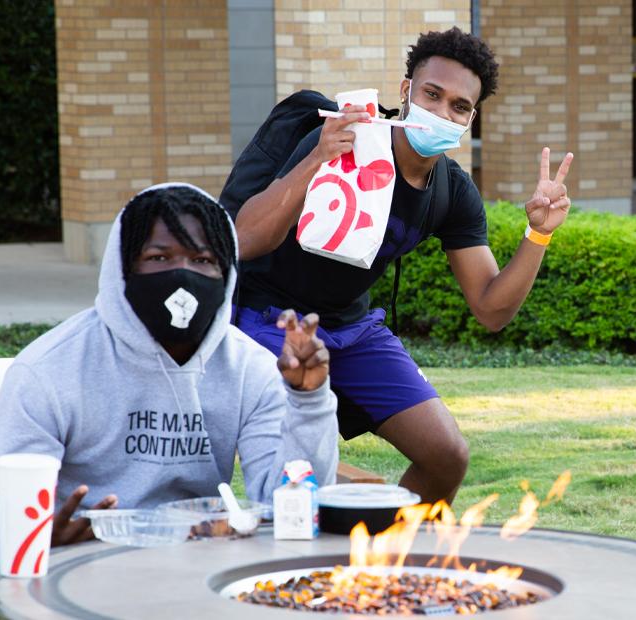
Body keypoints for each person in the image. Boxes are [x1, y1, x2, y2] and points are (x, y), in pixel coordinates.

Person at [227, 28, 573, 503]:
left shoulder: (453, 192)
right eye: (432, 94)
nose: (442, 112)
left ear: (472, 118)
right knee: (302, 470)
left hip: (354, 329)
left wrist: (539, 232)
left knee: (447, 454)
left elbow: (491, 309)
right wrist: (317, 157)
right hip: (273, 320)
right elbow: (244, 239)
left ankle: (389, 564)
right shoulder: (345, 137)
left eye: (459, 106)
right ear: (406, 90)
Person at [0, 184, 338, 564]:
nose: (182, 276)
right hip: (81, 567)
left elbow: (287, 504)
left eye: (202, 260)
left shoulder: (249, 368)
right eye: (159, 257)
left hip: (197, 570)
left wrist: (308, 402)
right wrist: (36, 545)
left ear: (225, 273)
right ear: (124, 267)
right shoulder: (49, 369)